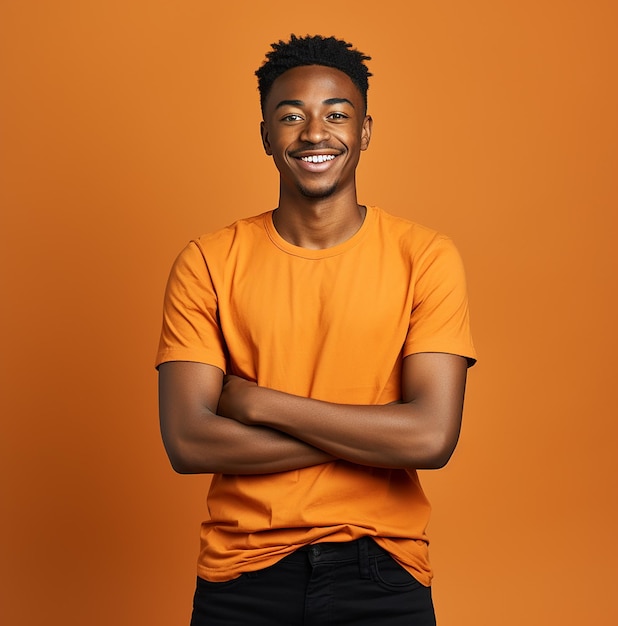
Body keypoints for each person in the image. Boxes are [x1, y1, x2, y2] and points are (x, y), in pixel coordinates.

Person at [156, 34, 476, 625]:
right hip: (242, 573)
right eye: (290, 116)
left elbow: (431, 437)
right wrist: (369, 436)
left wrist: (258, 402)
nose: (314, 133)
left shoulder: (425, 256)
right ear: (265, 137)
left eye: (336, 114)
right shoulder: (208, 260)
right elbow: (188, 441)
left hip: (383, 570)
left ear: (365, 131)